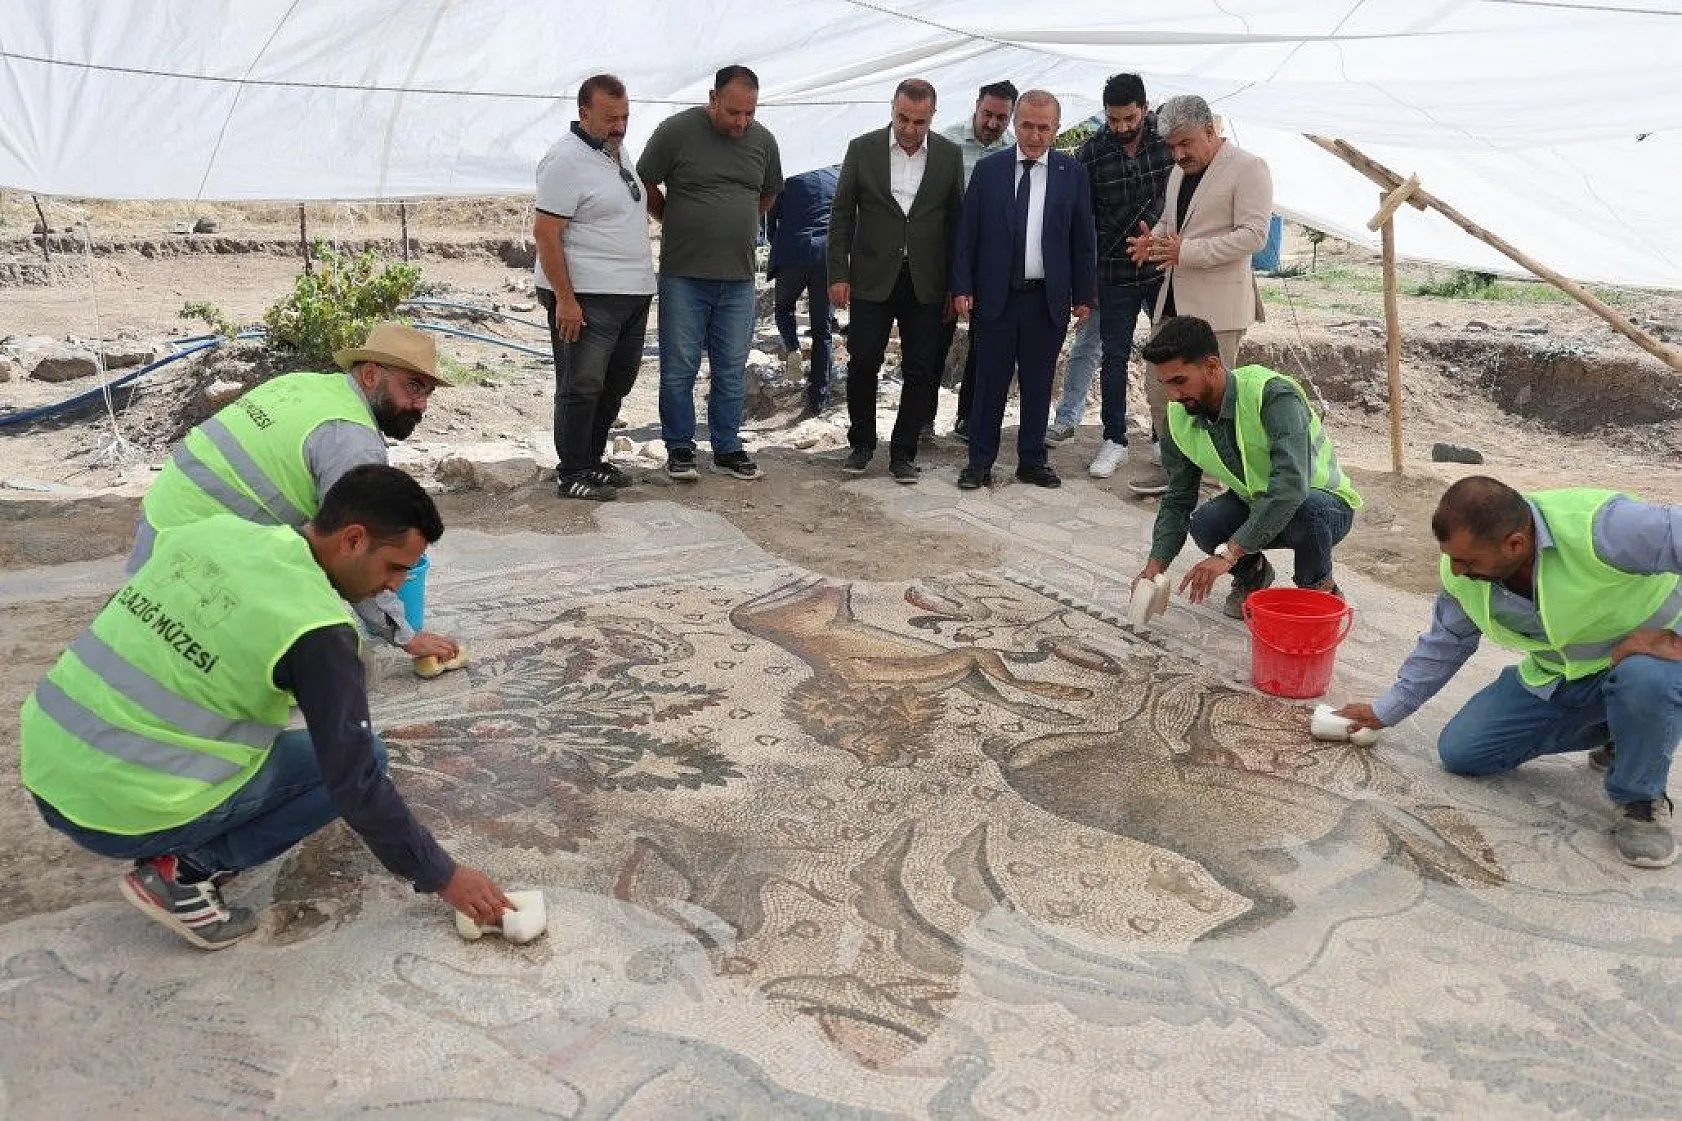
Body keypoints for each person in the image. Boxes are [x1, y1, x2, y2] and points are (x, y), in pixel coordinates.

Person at [20, 465, 512, 950]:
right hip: (114, 814)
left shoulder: (214, 533)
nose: (397, 586)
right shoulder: (315, 630)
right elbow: (356, 783)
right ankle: (184, 875)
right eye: (396, 567)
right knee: (362, 762)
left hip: (45, 764)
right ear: (354, 539)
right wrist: (444, 875)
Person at [1335, 477, 1682, 868]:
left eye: (1467, 561)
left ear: (1515, 544)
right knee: (1464, 752)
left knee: (1649, 681)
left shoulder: (1603, 527)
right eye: (1451, 557)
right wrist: (1387, 710)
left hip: (1646, 670)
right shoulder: (1465, 566)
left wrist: (1675, 640)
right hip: (1559, 675)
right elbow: (1445, 643)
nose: (1455, 570)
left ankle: (1639, 797)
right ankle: (1627, 733)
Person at [133, 321, 460, 668]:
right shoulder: (352, 443)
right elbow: (357, 555)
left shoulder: (305, 385)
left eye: (427, 393)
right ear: (369, 375)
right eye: (412, 387)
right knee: (339, 661)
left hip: (158, 531)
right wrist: (405, 634)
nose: (421, 405)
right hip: (190, 566)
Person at [1133, 315, 1360, 617]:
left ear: (1212, 365)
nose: (1173, 395)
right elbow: (1178, 499)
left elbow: (1290, 488)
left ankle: (1320, 591)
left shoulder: (1273, 396)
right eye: (1166, 384)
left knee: (1307, 509)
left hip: (1324, 505)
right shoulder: (1178, 417)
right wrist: (1155, 566)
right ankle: (1253, 576)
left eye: (1180, 381)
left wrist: (1228, 554)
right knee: (1204, 524)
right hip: (1260, 504)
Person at [637, 64, 783, 482]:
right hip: (684, 276)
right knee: (679, 365)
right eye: (734, 112)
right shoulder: (677, 131)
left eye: (749, 114)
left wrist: (734, 222)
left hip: (738, 279)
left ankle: (728, 447)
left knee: (731, 366)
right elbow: (645, 181)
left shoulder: (763, 141)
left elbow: (769, 191)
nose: (741, 122)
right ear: (713, 98)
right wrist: (674, 218)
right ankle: (680, 448)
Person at [1126, 94, 1273, 496]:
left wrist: (1184, 252)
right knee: (1162, 390)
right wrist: (1152, 243)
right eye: (1172, 146)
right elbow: (1173, 224)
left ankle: (1211, 480)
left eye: (1185, 143)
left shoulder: (1249, 168)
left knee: (1209, 398)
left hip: (1218, 308)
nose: (1178, 154)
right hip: (1172, 298)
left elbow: (1253, 236)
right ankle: (1176, 471)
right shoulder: (1178, 172)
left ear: (1210, 130)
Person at [951, 90, 1096, 491]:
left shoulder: (1072, 174)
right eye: (1028, 126)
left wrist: (1084, 296)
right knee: (988, 385)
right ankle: (979, 462)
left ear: (1056, 129)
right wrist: (962, 286)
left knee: (1038, 383)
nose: (1035, 136)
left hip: (1046, 300)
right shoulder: (990, 170)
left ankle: (1032, 459)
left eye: (1043, 128)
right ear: (1015, 124)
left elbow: (1083, 240)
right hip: (996, 297)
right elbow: (968, 234)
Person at [828, 79, 965, 485]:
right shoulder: (862, 148)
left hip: (927, 281)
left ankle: (904, 451)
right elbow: (841, 216)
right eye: (902, 118)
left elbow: (956, 223)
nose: (908, 128)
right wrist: (838, 273)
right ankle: (862, 443)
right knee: (864, 361)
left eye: (918, 122)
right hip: (872, 277)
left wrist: (956, 285)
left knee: (922, 369)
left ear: (931, 117)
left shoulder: (948, 155)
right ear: (892, 109)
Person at [533, 73, 656, 503]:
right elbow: (546, 234)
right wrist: (565, 300)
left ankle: (592, 459)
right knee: (581, 384)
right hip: (585, 296)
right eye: (610, 117)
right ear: (584, 113)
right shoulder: (564, 161)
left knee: (615, 382)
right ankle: (572, 471)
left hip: (631, 294)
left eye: (625, 116)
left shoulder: (617, 152)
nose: (620, 126)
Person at [1052, 73, 1174, 481]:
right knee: (1115, 354)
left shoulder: (1168, 140)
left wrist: (1155, 233)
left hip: (1161, 265)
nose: (1121, 127)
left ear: (1144, 108)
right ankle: (1115, 439)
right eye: (1114, 120)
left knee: (1167, 350)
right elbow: (1082, 217)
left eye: (1129, 118)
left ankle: (1163, 437)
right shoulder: (1092, 152)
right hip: (1113, 269)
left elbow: (1181, 195)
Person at [937, 79, 1018, 443]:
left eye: (1001, 117)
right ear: (976, 106)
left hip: (990, 263)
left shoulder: (1016, 152)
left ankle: (969, 418)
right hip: (944, 255)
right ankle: (922, 418)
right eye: (987, 114)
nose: (992, 123)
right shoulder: (945, 142)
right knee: (934, 337)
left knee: (984, 343)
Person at [765, 165, 840, 415]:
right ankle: (817, 399)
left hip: (791, 252)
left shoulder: (788, 178)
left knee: (783, 308)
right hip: (825, 257)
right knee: (823, 331)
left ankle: (793, 347)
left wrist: (777, 242)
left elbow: (770, 217)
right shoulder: (836, 179)